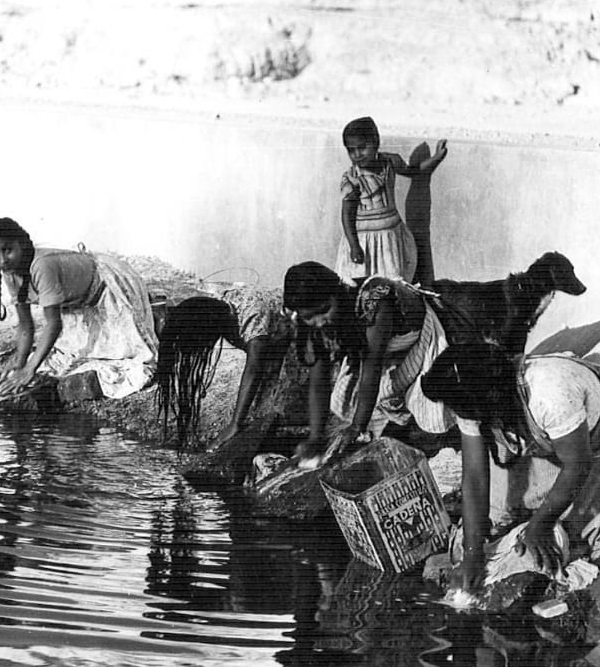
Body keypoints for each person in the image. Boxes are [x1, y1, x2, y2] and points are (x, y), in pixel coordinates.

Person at [419, 342, 600, 593]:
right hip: (555, 444)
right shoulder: (470, 395)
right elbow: (475, 477)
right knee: (490, 525)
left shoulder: (549, 392)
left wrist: (540, 525)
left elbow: (578, 465)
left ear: (488, 402)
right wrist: (471, 554)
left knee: (567, 535)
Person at [281, 261, 454, 463]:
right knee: (347, 399)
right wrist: (315, 437)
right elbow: (319, 380)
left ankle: (441, 444)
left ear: (338, 293)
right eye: (310, 317)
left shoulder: (375, 299)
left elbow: (371, 366)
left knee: (431, 405)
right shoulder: (314, 324)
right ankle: (398, 434)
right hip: (384, 352)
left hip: (419, 341)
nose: (320, 321)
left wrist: (357, 427)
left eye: (325, 309)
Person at [0, 217, 158, 399]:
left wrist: (30, 369)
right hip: (76, 301)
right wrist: (20, 363)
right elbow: (25, 325)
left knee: (126, 356)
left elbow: (54, 324)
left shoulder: (42, 266)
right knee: (65, 359)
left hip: (108, 285)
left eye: (8, 250)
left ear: (21, 245)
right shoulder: (10, 273)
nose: (2, 260)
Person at [155, 286, 299, 450]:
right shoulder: (220, 306)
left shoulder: (254, 323)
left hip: (297, 332)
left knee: (280, 407)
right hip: (274, 332)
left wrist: (235, 424)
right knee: (258, 406)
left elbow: (253, 369)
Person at [336, 116, 448, 282]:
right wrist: (354, 246)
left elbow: (413, 171)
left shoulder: (389, 162)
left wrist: (437, 157)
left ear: (376, 142)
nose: (357, 154)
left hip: (390, 238)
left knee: (392, 282)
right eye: (351, 150)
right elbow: (347, 215)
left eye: (362, 147)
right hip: (365, 243)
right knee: (362, 282)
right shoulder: (353, 180)